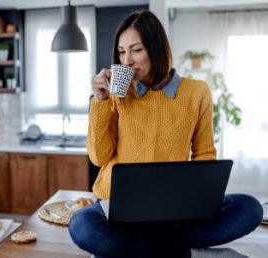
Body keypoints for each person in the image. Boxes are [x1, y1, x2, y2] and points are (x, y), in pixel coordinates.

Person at [68, 9, 263, 258]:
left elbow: (204, 153)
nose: (126, 60)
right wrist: (101, 101)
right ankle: (170, 249)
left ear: (157, 48)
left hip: (176, 212)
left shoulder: (196, 92)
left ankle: (142, 246)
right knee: (82, 226)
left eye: (136, 50)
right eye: (121, 51)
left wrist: (199, 200)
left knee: (250, 209)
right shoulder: (118, 94)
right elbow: (99, 157)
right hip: (118, 210)